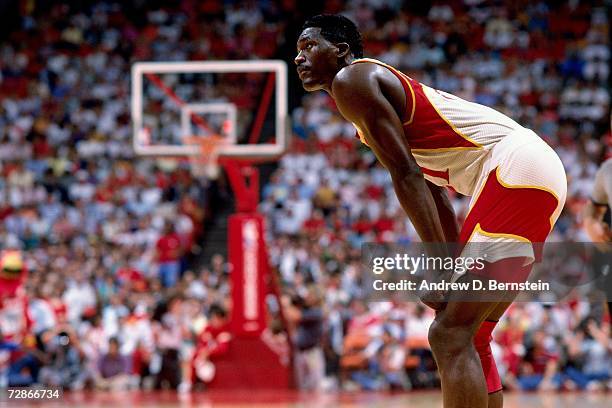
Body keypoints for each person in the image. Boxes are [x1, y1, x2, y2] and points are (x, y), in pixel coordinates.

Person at [295, 14, 567, 408]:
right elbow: (433, 190)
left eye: (309, 47)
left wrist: (439, 266)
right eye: (296, 51)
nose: (299, 58)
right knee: (467, 333)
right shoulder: (363, 98)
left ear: (341, 51)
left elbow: (406, 176)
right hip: (530, 175)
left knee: (449, 333)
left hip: (513, 169)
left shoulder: (352, 80)